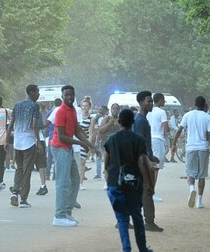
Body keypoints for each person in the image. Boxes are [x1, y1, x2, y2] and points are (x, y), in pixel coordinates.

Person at [104, 108, 154, 252]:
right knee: (137, 217)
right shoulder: (138, 140)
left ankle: (126, 248)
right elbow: (142, 163)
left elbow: (106, 161)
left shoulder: (112, 139)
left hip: (115, 184)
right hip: (133, 184)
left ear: (119, 122)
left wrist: (108, 174)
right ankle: (142, 248)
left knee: (122, 219)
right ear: (133, 122)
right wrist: (149, 184)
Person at [50, 85, 99, 227]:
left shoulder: (72, 110)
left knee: (75, 179)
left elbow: (77, 131)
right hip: (60, 148)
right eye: (66, 95)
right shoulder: (60, 111)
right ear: (62, 96)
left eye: (71, 94)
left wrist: (91, 146)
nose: (69, 97)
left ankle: (66, 212)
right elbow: (62, 136)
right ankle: (58, 216)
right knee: (62, 182)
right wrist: (80, 143)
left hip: (68, 148)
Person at [172, 96, 210, 209]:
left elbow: (180, 130)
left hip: (191, 147)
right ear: (204, 104)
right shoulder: (208, 118)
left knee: (190, 173)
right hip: (203, 148)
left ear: (195, 104)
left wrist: (174, 143)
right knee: (202, 175)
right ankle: (199, 201)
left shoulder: (188, 115)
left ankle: (192, 188)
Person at [7, 84, 42, 208]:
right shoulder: (34, 106)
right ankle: (23, 199)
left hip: (18, 142)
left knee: (19, 168)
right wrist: (38, 141)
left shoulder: (17, 105)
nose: (38, 94)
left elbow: (11, 124)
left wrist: (6, 140)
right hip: (29, 142)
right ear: (31, 92)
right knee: (27, 171)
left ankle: (15, 192)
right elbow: (34, 125)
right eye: (37, 92)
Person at [133, 91, 163, 231]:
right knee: (147, 190)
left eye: (151, 101)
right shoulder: (140, 121)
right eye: (148, 101)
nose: (150, 103)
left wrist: (151, 156)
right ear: (140, 103)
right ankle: (149, 222)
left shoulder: (142, 120)